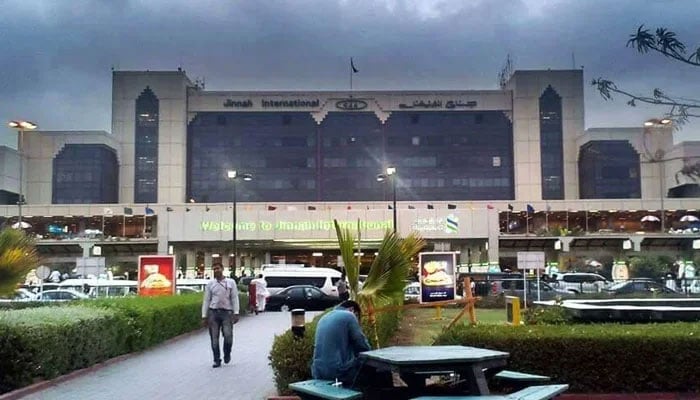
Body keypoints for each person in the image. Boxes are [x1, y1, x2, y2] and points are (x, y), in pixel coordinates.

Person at [311, 300, 371, 386]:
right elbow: (362, 345)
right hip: (338, 372)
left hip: (318, 372)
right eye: (358, 317)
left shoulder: (324, 318)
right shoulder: (349, 315)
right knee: (373, 374)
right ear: (352, 309)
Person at [201, 262, 240, 368]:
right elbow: (206, 300)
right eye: (214, 269)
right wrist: (204, 315)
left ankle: (227, 353)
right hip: (213, 313)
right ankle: (216, 359)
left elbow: (234, 298)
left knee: (228, 336)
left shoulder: (230, 282)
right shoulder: (210, 284)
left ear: (222, 269)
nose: (216, 271)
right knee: (214, 338)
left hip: (226, 313)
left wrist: (236, 313)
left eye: (218, 268)